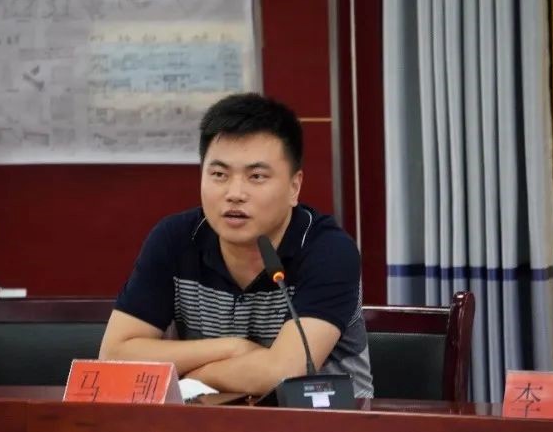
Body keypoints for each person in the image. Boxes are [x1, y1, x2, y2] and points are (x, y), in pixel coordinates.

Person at [99, 93, 373, 398]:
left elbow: (282, 373)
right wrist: (233, 348)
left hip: (326, 419)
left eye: (256, 176)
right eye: (219, 174)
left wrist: (190, 376)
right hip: (209, 419)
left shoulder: (329, 251)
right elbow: (113, 357)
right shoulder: (174, 239)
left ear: (294, 187)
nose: (235, 193)